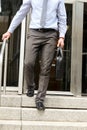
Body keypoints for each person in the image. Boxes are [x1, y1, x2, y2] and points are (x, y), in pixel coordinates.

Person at [2, 0, 67, 110]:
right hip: (34, 33)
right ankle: (30, 86)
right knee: (28, 62)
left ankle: (40, 99)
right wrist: (9, 31)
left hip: (50, 35)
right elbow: (21, 13)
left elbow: (62, 17)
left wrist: (61, 36)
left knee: (45, 68)